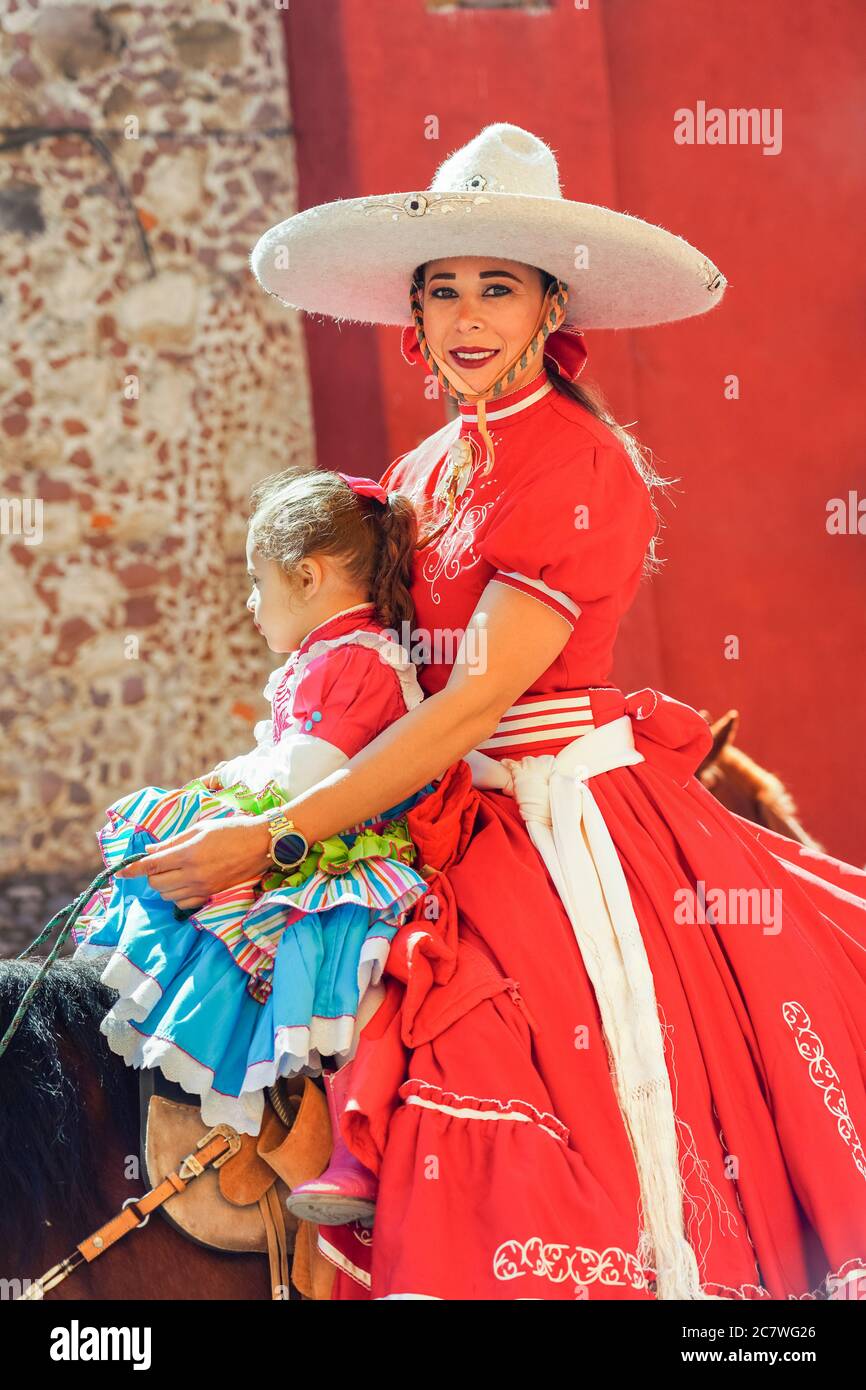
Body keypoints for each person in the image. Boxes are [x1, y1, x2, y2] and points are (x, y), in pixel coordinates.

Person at [116, 124, 866, 1301]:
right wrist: (264, 788)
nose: (467, 315)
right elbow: (370, 667)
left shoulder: (578, 465)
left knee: (537, 1080)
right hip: (439, 809)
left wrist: (275, 835)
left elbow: (473, 700)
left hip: (564, 828)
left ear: (546, 305)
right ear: (412, 316)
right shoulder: (412, 478)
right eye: (443, 290)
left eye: (497, 288)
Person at [72, 467, 436, 1212]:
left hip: (338, 845)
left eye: (257, 580)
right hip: (306, 832)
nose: (250, 601)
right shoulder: (335, 653)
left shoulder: (357, 660)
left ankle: (351, 1147)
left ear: (308, 575)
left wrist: (218, 797)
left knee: (344, 980)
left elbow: (311, 771)